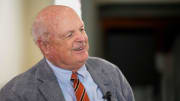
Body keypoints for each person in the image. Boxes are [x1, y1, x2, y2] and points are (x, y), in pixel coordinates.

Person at [0, 5, 134, 101]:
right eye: (69, 35)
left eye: (82, 29)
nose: (82, 39)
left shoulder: (110, 71)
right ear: (45, 46)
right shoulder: (16, 93)